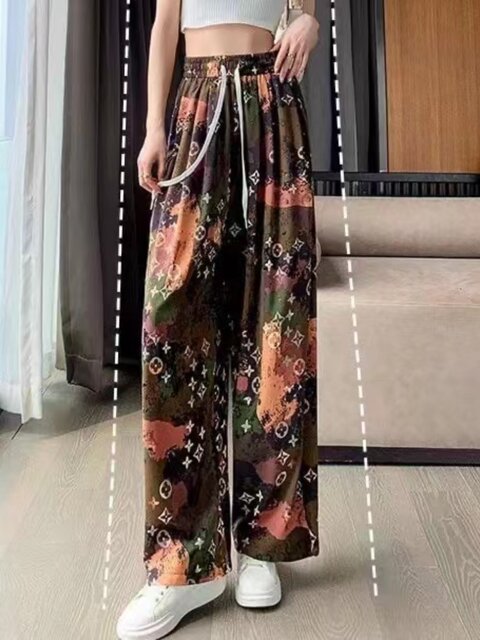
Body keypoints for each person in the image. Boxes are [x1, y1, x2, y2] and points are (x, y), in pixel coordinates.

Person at [117, 1, 320, 638]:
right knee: (170, 322)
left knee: (276, 324)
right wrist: (153, 128)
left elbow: (303, 8)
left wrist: (310, 19)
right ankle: (186, 564)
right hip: (196, 106)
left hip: (271, 107)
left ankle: (263, 543)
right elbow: (164, 25)